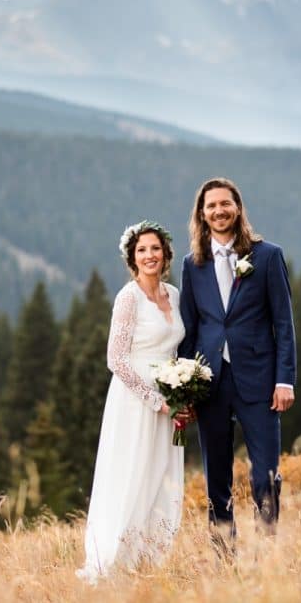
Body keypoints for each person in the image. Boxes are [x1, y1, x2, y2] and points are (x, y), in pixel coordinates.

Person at [177, 177, 297, 550]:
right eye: (211, 206)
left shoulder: (268, 256)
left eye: (225, 204)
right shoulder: (191, 264)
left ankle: (267, 548)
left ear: (238, 208)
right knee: (216, 477)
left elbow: (284, 323)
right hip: (211, 382)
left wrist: (285, 379)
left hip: (260, 381)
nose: (219, 211)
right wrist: (186, 387)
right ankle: (223, 554)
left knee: (266, 473)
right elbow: (189, 329)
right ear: (202, 214)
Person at [77, 220, 186, 582]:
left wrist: (184, 391)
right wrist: (155, 400)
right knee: (131, 474)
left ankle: (152, 559)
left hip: (171, 401)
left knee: (161, 475)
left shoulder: (174, 294)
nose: (149, 255)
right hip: (136, 402)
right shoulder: (129, 297)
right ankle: (115, 560)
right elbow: (116, 359)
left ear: (166, 253)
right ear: (132, 258)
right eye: (142, 250)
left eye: (155, 248)